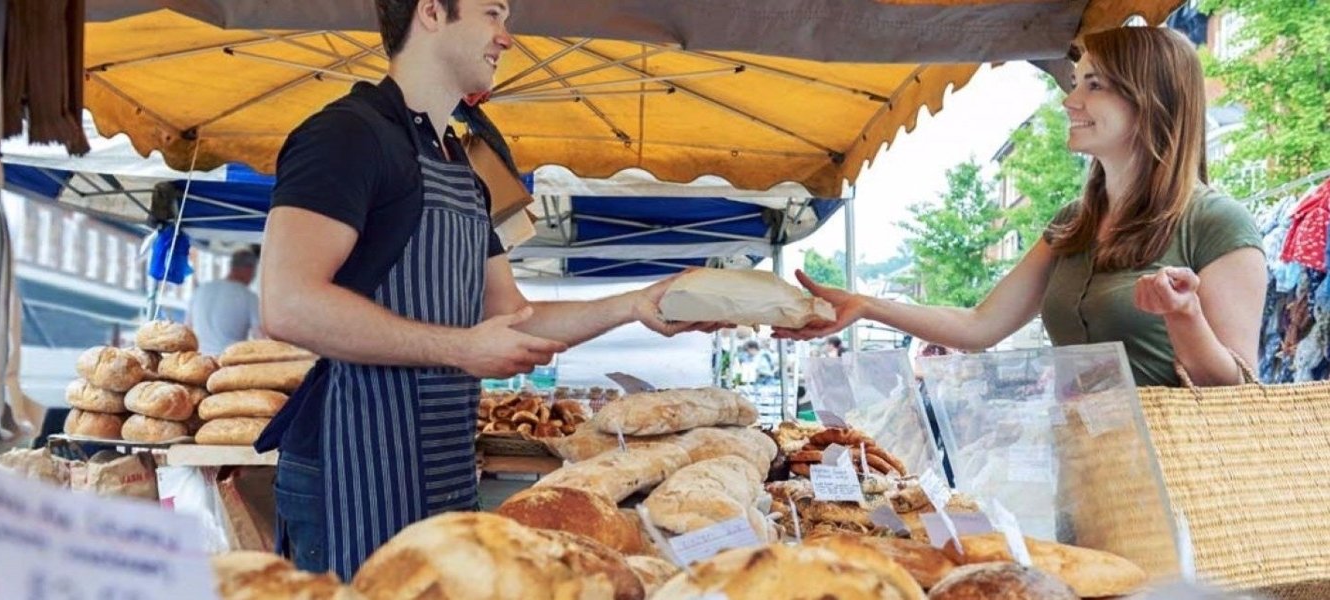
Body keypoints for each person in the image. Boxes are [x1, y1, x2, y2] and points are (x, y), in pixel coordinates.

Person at [252, 0, 721, 580]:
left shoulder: (463, 166)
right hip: (353, 464)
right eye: (493, 13)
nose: (507, 38)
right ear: (431, 11)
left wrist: (635, 304)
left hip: (443, 462)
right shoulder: (346, 135)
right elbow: (288, 304)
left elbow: (512, 317)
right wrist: (459, 348)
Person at [776, 26, 1266, 388]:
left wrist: (1184, 315)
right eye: (1075, 81)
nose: (1070, 100)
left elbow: (1235, 386)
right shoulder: (1073, 223)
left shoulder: (1216, 222)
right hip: (1087, 469)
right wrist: (866, 305)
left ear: (1151, 100)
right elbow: (979, 326)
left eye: (1094, 85)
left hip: (1179, 477)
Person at [186, 248, 262, 355]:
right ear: (249, 269)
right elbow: (259, 337)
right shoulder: (249, 297)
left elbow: (187, 328)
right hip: (228, 360)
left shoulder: (201, 289)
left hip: (200, 359)